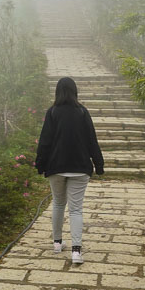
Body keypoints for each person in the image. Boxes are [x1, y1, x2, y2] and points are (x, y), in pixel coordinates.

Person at [35, 76, 104, 264]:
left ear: (58, 91)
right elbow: (92, 140)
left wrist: (40, 164)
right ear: (75, 92)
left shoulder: (52, 112)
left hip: (56, 166)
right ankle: (76, 251)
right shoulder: (82, 112)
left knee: (58, 203)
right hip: (80, 167)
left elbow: (45, 141)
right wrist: (99, 164)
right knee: (75, 209)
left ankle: (57, 243)